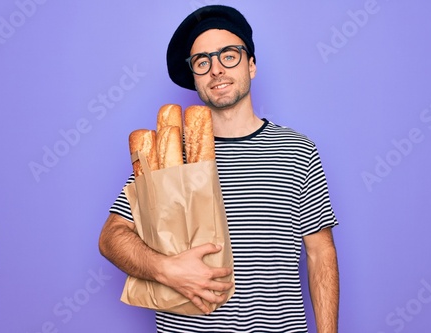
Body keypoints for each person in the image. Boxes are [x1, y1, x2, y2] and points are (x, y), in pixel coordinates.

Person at [99, 5, 339, 333]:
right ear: (194, 78)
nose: (216, 70)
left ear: (251, 65)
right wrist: (166, 269)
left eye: (229, 55)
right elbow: (111, 237)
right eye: (203, 61)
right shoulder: (170, 155)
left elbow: (320, 254)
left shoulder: (297, 150)